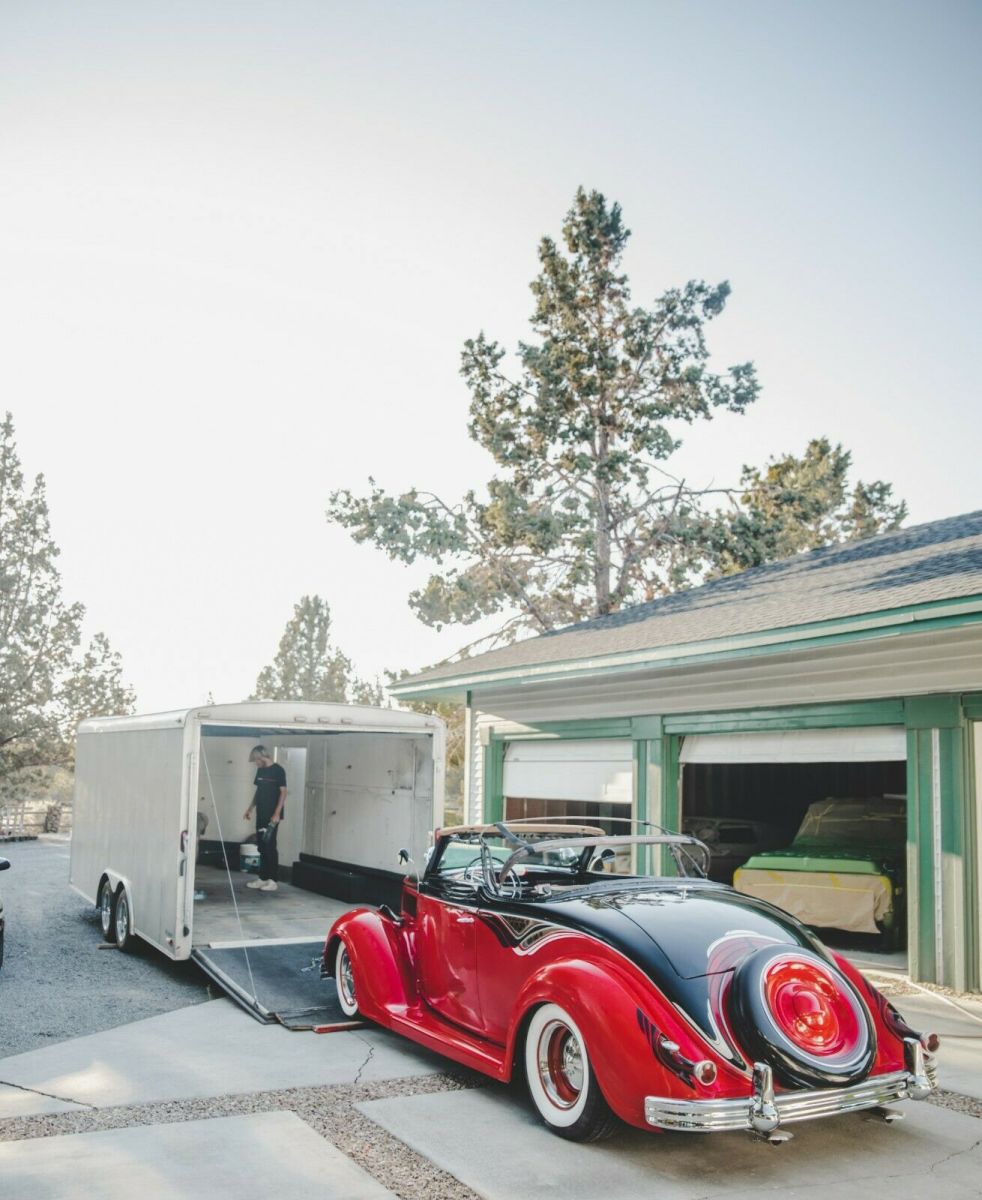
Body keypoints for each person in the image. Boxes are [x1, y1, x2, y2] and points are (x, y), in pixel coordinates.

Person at [243, 745, 286, 892]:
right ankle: (262, 878)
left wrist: (277, 813)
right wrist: (250, 808)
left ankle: (272, 880)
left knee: (270, 846)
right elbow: (258, 791)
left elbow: (283, 793)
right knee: (261, 845)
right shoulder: (260, 770)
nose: (256, 763)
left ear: (262, 756)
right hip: (260, 812)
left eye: (256, 760)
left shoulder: (278, 771)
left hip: (272, 815)